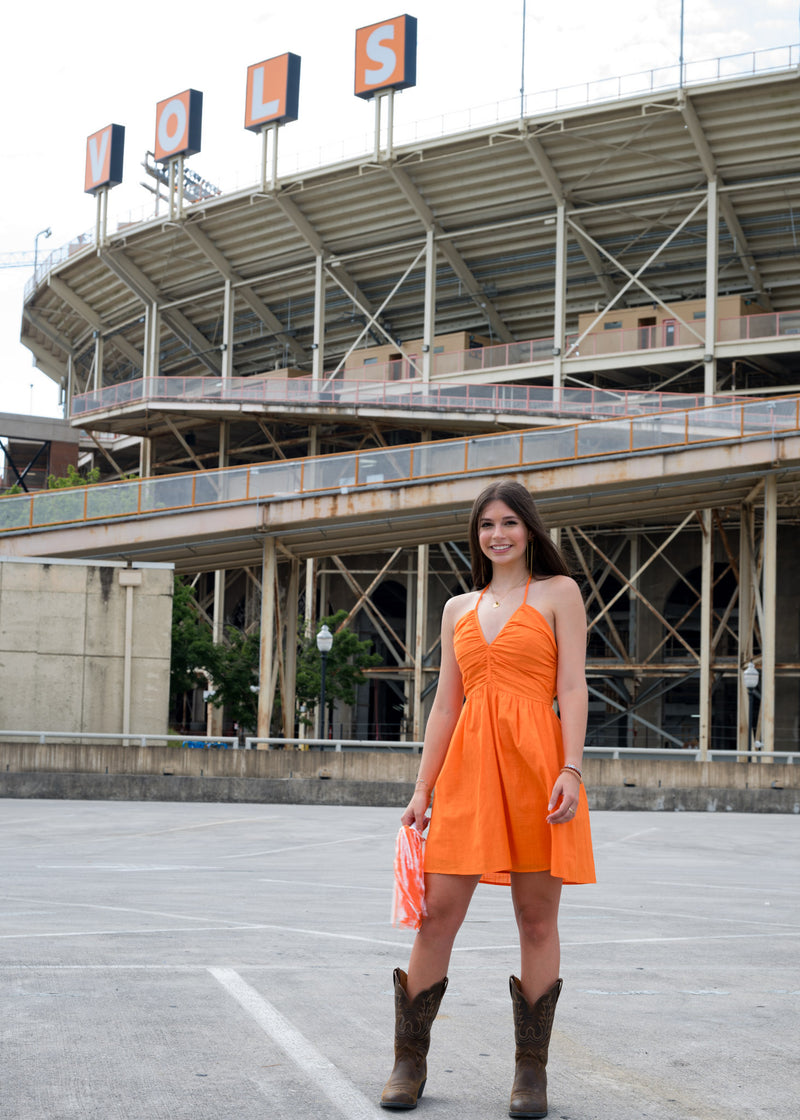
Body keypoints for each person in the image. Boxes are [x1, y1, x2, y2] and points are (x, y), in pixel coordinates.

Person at [380, 479, 596, 1116]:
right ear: (476, 536)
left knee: (536, 918)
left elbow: (575, 688)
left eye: (508, 522)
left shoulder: (560, 593)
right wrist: (423, 789)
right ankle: (407, 1061)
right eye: (485, 526)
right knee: (437, 912)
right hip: (468, 769)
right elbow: (446, 702)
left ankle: (531, 1073)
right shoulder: (457, 607)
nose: (497, 534)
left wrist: (572, 769)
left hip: (538, 769)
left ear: (529, 529)